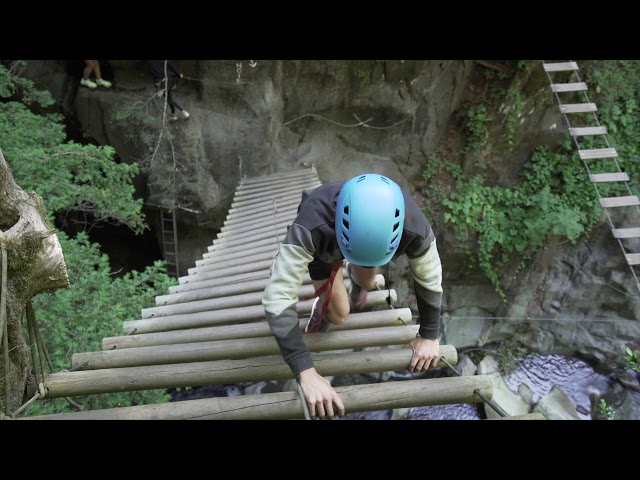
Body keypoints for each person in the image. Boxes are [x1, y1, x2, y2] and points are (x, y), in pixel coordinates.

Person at [263, 173, 443, 419]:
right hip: (325, 248)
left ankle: (355, 270)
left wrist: (430, 335)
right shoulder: (311, 224)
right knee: (339, 314)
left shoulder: (414, 225)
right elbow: (278, 295)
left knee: (368, 282)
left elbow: (429, 277)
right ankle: (330, 291)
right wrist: (305, 370)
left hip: (367, 245)